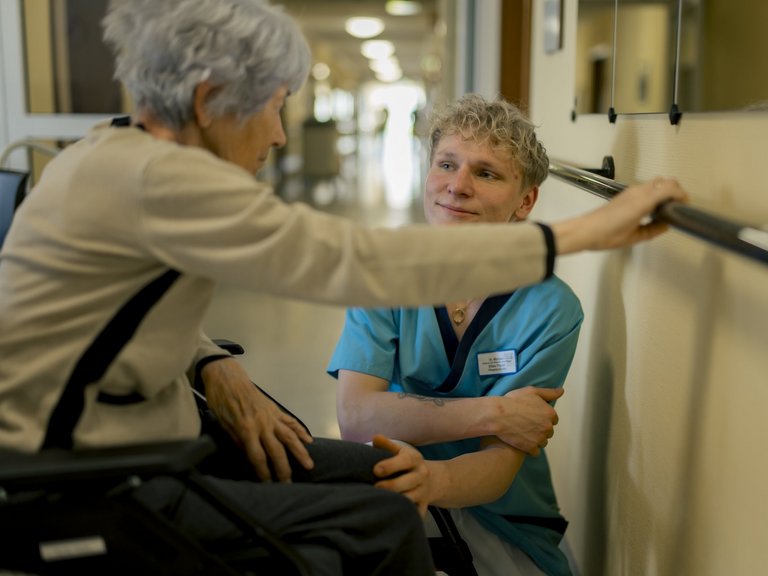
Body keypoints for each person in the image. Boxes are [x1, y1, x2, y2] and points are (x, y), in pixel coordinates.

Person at [0, 0, 687, 574]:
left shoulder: (109, 154)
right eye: (273, 108)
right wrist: (590, 230)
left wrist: (210, 362)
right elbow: (343, 260)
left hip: (154, 444)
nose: (277, 133)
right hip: (84, 485)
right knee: (384, 519)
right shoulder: (165, 180)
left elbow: (110, 304)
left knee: (375, 481)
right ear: (209, 102)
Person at [327, 94, 581, 576]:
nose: (457, 187)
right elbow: (357, 417)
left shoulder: (550, 307)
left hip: (500, 516)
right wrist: (495, 412)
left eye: (486, 173)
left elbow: (499, 465)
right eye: (446, 164)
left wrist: (431, 478)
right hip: (396, 495)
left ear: (525, 200)